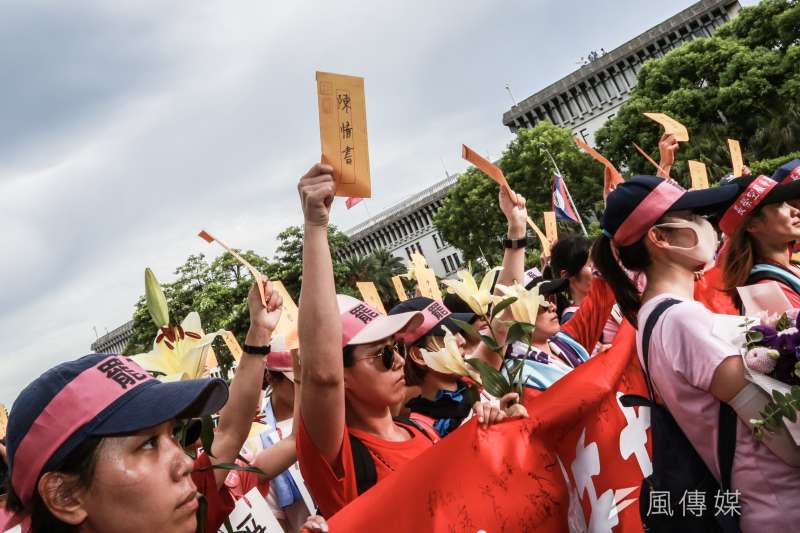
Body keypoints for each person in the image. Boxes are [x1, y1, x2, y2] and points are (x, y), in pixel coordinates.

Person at [294, 164, 522, 518]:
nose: (399, 361)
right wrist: (315, 229)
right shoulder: (343, 464)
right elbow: (321, 375)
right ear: (344, 377)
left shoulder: (424, 431)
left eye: (396, 349)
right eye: (383, 356)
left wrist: (496, 432)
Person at [592, 174, 800, 531]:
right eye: (694, 217)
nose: (708, 226)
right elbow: (784, 438)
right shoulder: (683, 321)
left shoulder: (655, 318)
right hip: (783, 506)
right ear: (660, 238)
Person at [1, 281, 283, 533]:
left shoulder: (168, 512)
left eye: (173, 434)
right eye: (148, 444)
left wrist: (259, 333)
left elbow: (230, 432)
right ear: (64, 495)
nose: (185, 462)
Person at [717, 173, 800, 307]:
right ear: (752, 225)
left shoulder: (792, 265)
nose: (795, 211)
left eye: (787, 202)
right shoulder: (766, 292)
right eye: (779, 204)